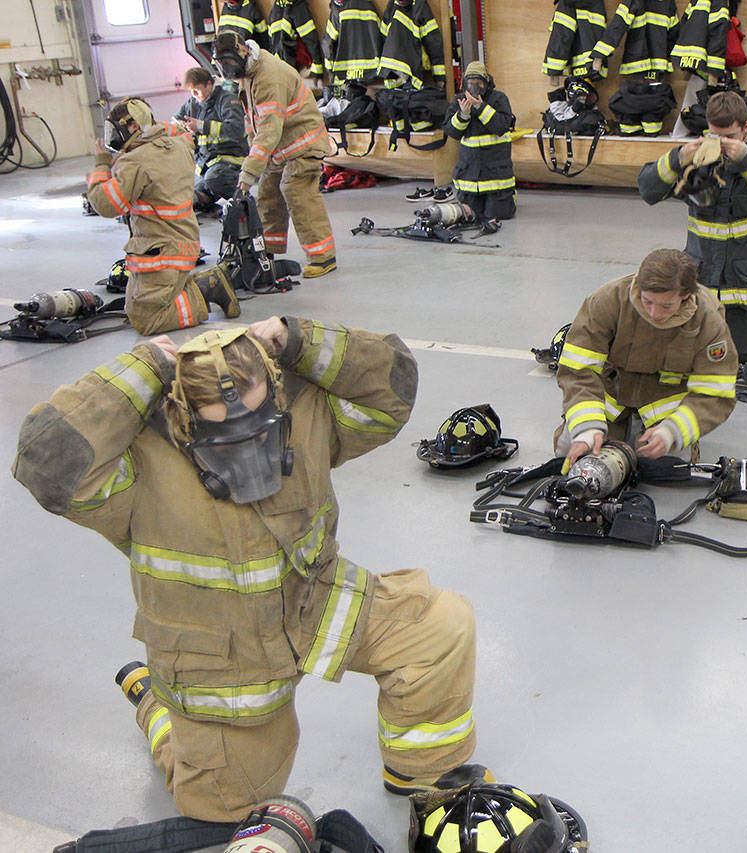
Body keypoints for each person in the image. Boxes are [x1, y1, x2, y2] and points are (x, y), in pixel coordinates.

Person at [12, 317, 482, 821]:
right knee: (225, 816)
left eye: (258, 423)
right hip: (222, 664)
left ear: (276, 387)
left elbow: (391, 391)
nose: (246, 446)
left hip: (314, 603)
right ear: (181, 412)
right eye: (221, 432)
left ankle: (422, 772)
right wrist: (143, 368)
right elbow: (44, 461)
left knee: (441, 627)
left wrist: (299, 339)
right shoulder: (135, 462)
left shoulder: (306, 411)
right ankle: (159, 712)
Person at [638, 90, 747, 362]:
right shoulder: (699, 164)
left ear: (746, 130)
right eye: (715, 136)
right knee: (692, 354)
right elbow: (648, 189)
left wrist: (745, 159)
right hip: (704, 286)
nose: (722, 144)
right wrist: (679, 158)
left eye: (730, 137)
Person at [557, 248, 738, 465]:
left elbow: (716, 392)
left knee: (666, 464)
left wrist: (672, 432)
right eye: (647, 301)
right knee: (572, 450)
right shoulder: (609, 300)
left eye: (666, 306)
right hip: (611, 390)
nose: (654, 314)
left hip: (664, 397)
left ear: (686, 296)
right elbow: (577, 370)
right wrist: (587, 427)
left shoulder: (708, 319)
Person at [85, 97, 239, 334]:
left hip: (161, 253)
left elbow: (106, 205)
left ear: (134, 126)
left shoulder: (135, 161)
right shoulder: (178, 142)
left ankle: (204, 290)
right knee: (134, 305)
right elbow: (176, 131)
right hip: (184, 244)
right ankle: (191, 286)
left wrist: (101, 166)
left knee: (147, 319)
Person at [212, 29, 337, 278]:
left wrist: (247, 174)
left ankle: (323, 257)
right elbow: (254, 125)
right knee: (267, 193)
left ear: (243, 51)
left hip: (303, 144)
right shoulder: (248, 73)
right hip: (281, 147)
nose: (226, 68)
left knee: (296, 191)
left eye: (228, 62)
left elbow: (269, 129)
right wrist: (256, 164)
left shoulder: (268, 76)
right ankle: (265, 252)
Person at [443, 61, 517, 221]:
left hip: (496, 176)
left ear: (487, 82)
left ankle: (509, 197)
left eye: (479, 83)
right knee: (471, 215)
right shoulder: (459, 101)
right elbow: (452, 132)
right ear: (464, 83)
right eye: (470, 83)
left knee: (497, 215)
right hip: (470, 176)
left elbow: (501, 126)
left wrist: (481, 107)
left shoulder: (498, 99)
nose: (475, 87)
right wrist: (463, 115)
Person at [174, 66, 249, 215]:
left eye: (197, 90)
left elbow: (236, 130)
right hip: (206, 163)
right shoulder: (192, 103)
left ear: (209, 84)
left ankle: (243, 202)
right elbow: (175, 122)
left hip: (231, 160)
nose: (194, 94)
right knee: (189, 193)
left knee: (214, 180)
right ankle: (206, 201)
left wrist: (201, 126)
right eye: (191, 91)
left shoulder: (227, 100)